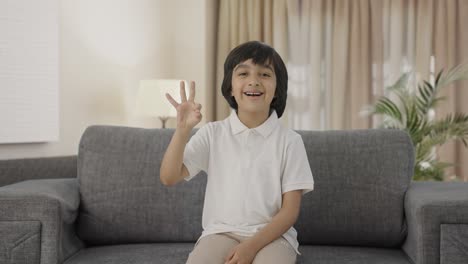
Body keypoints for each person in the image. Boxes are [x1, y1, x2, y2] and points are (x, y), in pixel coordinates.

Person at [160, 41, 314, 264]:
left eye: (264, 74)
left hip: (273, 237)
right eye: (243, 73)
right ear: (230, 86)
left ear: (277, 89)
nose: (254, 81)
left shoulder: (291, 142)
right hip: (220, 233)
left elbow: (290, 211)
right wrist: (183, 131)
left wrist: (250, 247)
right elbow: (168, 176)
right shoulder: (212, 134)